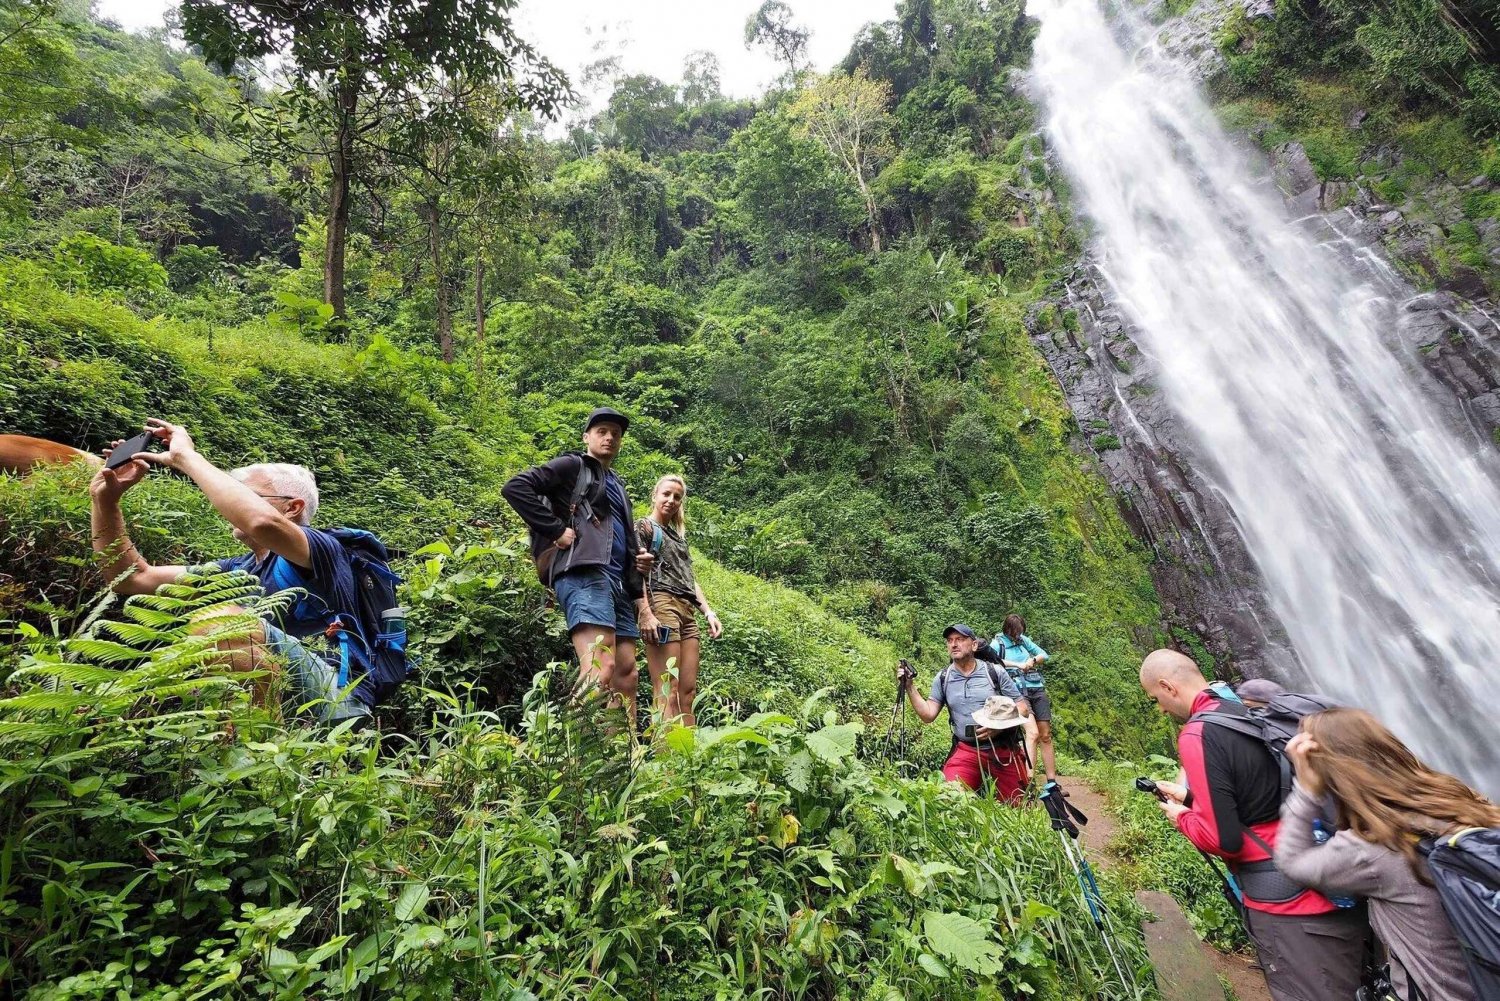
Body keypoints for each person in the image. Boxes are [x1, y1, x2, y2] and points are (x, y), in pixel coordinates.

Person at [89, 419, 371, 722]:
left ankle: (257, 750)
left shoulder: (325, 549)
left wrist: (185, 457)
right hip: (286, 697)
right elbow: (131, 578)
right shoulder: (236, 569)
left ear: (292, 507)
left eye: (246, 495)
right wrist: (104, 501)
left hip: (340, 696)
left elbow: (262, 523)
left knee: (220, 622)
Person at [1138, 649, 1366, 1001]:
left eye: (1156, 699)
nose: (1161, 709)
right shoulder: (1246, 708)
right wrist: (1192, 799)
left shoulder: (1198, 734)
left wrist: (1182, 817)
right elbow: (1260, 796)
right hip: (1337, 874)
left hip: (1288, 903)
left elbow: (1224, 839)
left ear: (1167, 687)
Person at [1275, 709, 1493, 1001]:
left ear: (1331, 775)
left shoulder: (1371, 849)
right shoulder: (1454, 798)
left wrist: (1306, 789)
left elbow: (1292, 860)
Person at [501, 407, 658, 720]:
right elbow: (516, 488)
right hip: (586, 574)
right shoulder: (574, 466)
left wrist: (639, 579)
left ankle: (620, 760)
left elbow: (626, 541)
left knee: (626, 675)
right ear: (587, 437)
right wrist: (556, 530)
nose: (610, 437)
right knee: (600, 667)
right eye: (602, 431)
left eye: (616, 433)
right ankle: (566, 754)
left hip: (618, 585)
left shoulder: (618, 485)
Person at [901, 624, 1033, 802]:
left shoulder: (994, 672)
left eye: (960, 639)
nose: (954, 644)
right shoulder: (943, 678)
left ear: (974, 645)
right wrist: (909, 686)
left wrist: (998, 727)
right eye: (950, 641)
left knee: (1017, 805)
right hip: (967, 750)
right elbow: (928, 715)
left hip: (1002, 749)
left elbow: (1023, 708)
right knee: (948, 799)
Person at [635, 474, 722, 728]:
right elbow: (635, 571)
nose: (671, 500)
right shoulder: (644, 527)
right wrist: (645, 612)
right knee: (666, 688)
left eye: (677, 497)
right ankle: (666, 762)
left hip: (686, 610)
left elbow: (690, 581)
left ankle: (688, 759)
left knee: (688, 691)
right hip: (661, 603)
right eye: (666, 494)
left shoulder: (678, 538)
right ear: (655, 495)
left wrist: (708, 613)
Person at [990, 614, 1057, 784]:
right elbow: (992, 662)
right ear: (1007, 629)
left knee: (1045, 734)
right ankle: (1028, 781)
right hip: (1016, 692)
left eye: (1020, 632)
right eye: (1015, 632)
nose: (1017, 635)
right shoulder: (997, 643)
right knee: (1032, 733)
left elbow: (1044, 655)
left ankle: (1052, 782)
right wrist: (1018, 665)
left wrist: (1032, 660)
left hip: (1036, 687)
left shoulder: (1023, 641)